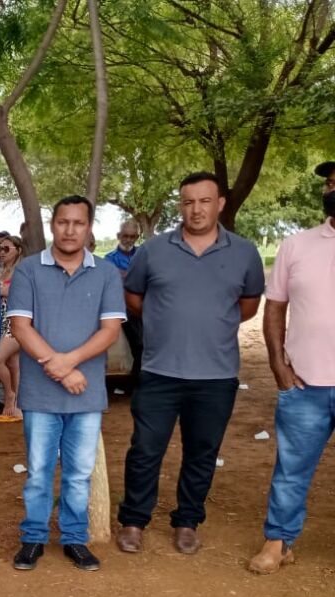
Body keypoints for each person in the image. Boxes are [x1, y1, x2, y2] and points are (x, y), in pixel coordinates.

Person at [117, 172, 265, 555]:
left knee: (202, 451)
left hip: (216, 376)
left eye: (204, 201)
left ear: (219, 204)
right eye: (188, 201)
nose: (195, 209)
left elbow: (248, 306)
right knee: (145, 449)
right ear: (180, 205)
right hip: (159, 371)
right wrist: (164, 318)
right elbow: (133, 297)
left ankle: (187, 521)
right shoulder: (154, 250)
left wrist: (210, 320)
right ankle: (133, 521)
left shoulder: (244, 252)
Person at [6, 196, 126, 571]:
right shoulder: (28, 270)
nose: (70, 230)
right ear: (52, 224)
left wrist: (68, 364)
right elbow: (21, 327)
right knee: (39, 471)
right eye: (63, 222)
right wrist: (58, 369)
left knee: (78, 473)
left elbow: (110, 330)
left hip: (86, 393)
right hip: (41, 395)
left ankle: (74, 539)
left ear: (89, 227)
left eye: (78, 223)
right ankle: (33, 538)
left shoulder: (106, 273)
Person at [248, 161, 335, 574]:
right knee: (291, 470)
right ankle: (277, 542)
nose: (333, 189)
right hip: (305, 385)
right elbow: (275, 306)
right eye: (331, 184)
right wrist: (276, 361)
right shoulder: (296, 246)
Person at [0, 234, 24, 422]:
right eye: (0, 248)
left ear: (18, 250)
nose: (1, 252)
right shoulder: (2, 270)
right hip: (3, 321)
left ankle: (9, 395)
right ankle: (14, 404)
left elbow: (11, 292)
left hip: (16, 323)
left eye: (6, 248)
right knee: (12, 363)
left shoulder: (22, 271)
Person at [104, 220, 143, 378]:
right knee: (140, 345)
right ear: (118, 236)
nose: (128, 239)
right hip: (123, 308)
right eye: (125, 236)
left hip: (144, 305)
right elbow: (114, 282)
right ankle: (137, 382)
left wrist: (126, 276)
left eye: (132, 236)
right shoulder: (109, 258)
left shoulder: (143, 254)